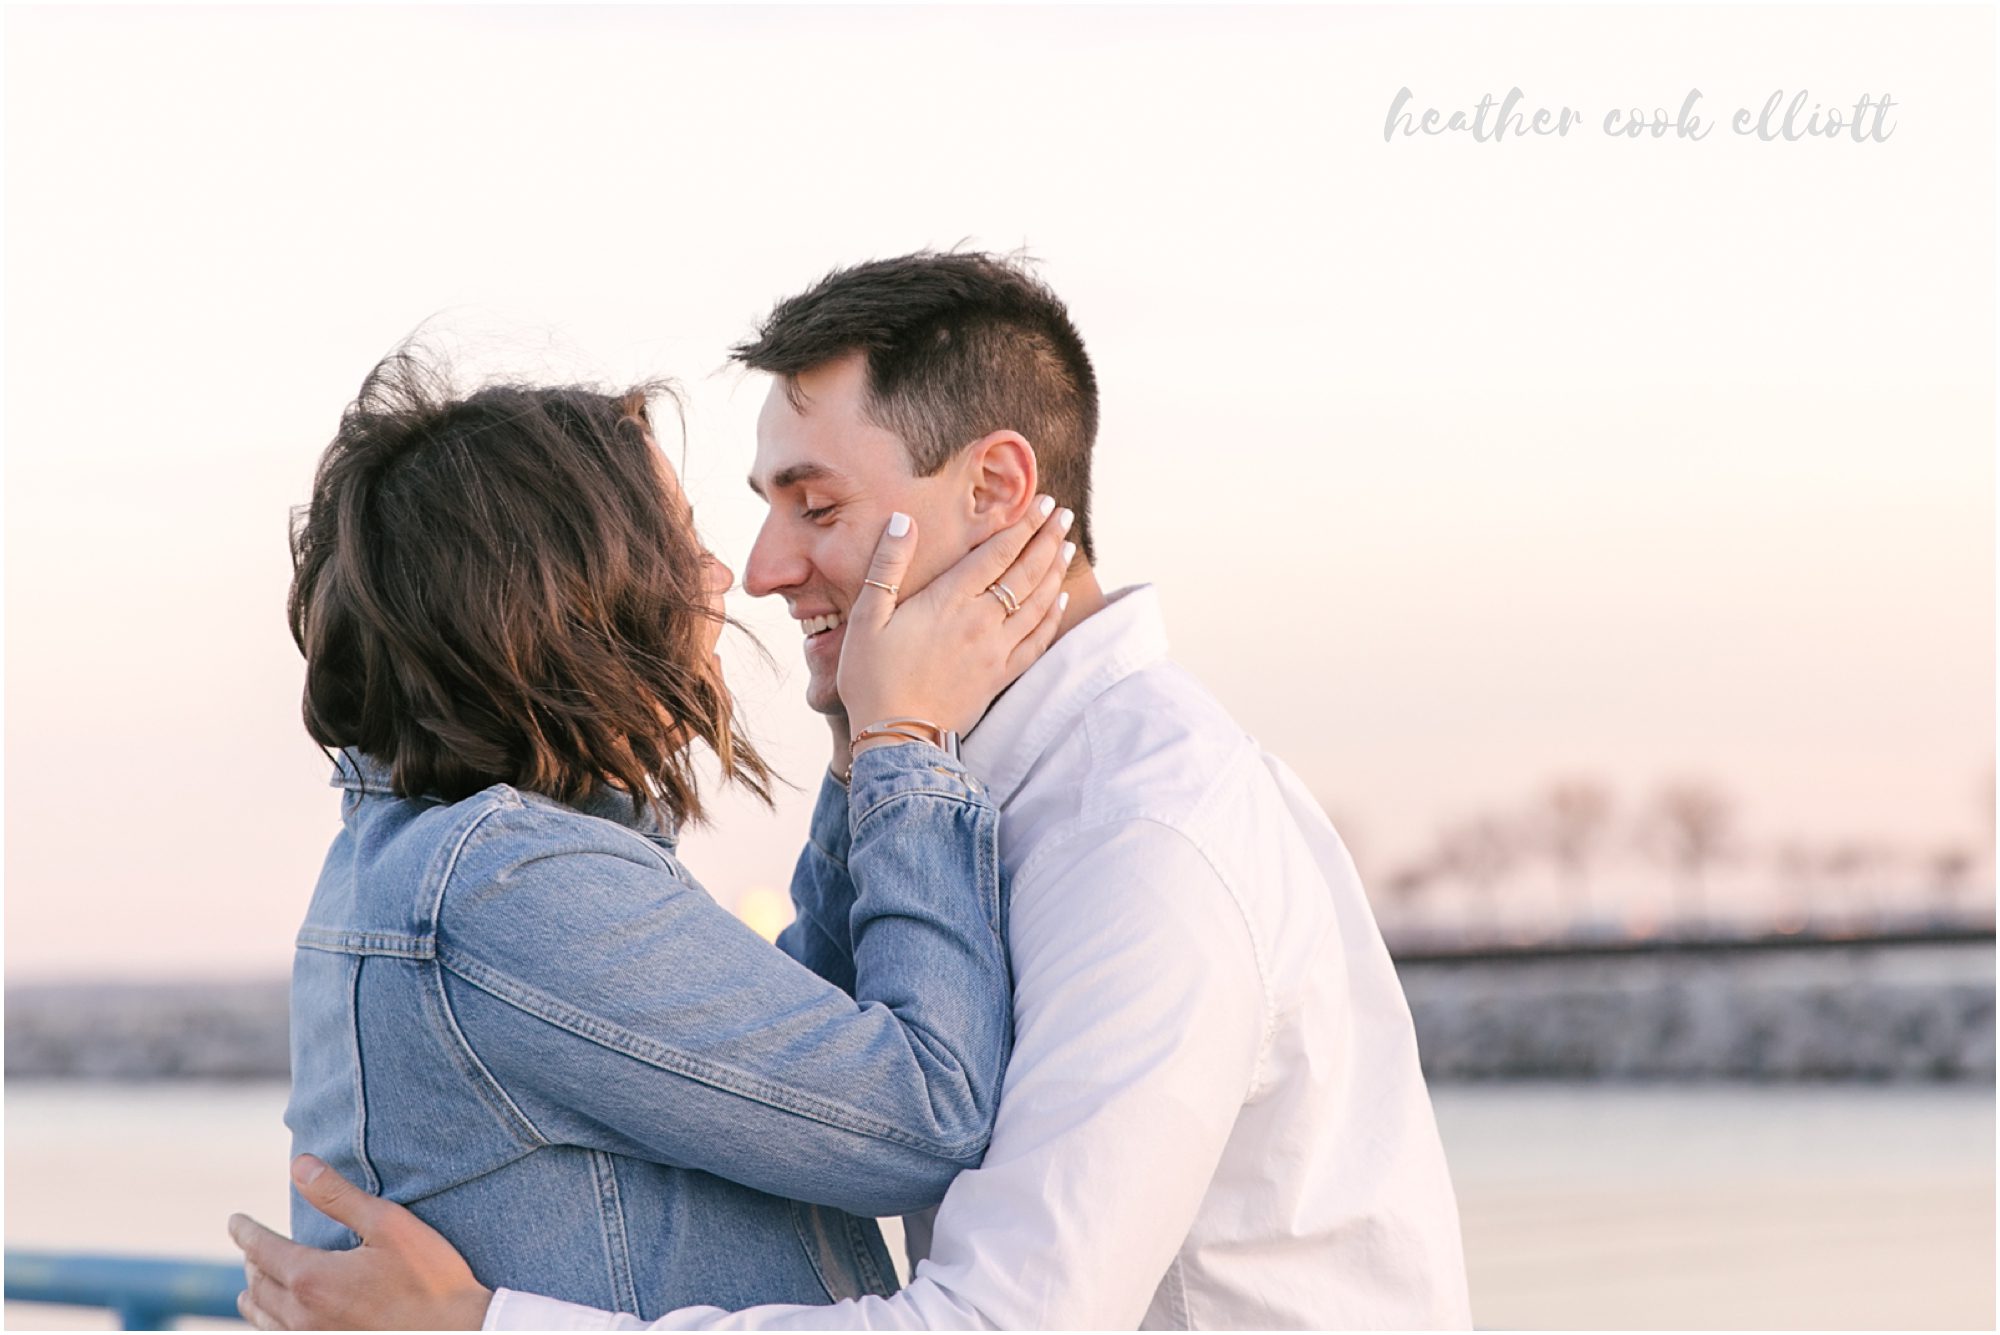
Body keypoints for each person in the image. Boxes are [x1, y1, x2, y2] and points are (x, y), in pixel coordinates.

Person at [233, 253, 1473, 1330]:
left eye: (813, 506)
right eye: (739, 520)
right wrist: (888, 748)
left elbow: (986, 1301)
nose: (758, 573)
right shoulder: (516, 873)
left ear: (993, 491)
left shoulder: (1141, 836)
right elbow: (857, 1088)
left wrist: (495, 1329)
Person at [243, 346, 1073, 1325]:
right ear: (571, 593)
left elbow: (793, 1055)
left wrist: (857, 756)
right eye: (678, 542)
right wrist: (906, 741)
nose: (725, 575)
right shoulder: (504, 885)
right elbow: (922, 1120)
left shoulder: (442, 858)